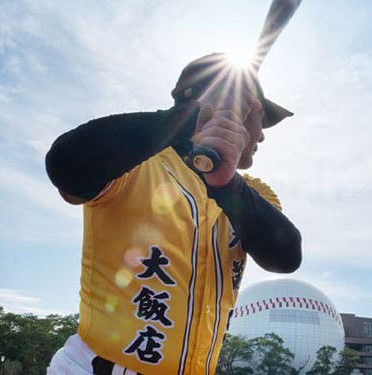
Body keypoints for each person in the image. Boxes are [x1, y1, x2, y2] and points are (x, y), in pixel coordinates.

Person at [44, 53, 302, 374]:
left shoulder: (252, 191)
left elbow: (285, 256)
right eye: (256, 119)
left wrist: (225, 183)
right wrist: (191, 117)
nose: (261, 134)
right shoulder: (136, 164)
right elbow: (67, 165)